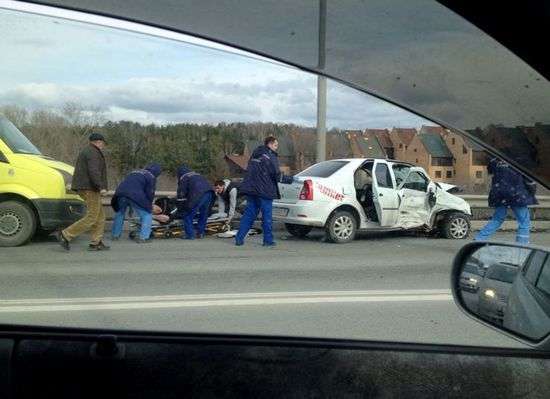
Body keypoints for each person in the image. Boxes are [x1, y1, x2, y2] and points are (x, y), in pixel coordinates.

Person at [235, 136, 293, 247]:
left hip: (252, 190)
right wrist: (291, 179)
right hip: (265, 191)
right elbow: (276, 175)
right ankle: (268, 240)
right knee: (267, 217)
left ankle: (239, 239)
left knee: (248, 215)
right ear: (270, 144)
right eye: (275, 145)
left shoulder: (254, 155)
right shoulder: (270, 156)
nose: (277, 148)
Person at [57, 132, 109, 251]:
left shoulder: (89, 151)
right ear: (98, 142)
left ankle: (96, 242)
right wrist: (100, 187)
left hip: (87, 187)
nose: (103, 146)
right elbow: (93, 171)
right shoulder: (93, 153)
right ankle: (66, 234)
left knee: (100, 216)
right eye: (103, 143)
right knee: (92, 217)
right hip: (90, 188)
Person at [474, 156, 537, 244]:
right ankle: (522, 243)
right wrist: (532, 191)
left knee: (497, 218)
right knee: (524, 220)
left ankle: (479, 239)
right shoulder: (520, 160)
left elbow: (490, 171)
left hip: (499, 193)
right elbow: (528, 179)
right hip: (516, 194)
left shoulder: (495, 160)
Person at [111, 163, 162, 243]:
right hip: (135, 195)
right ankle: (144, 237)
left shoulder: (134, 172)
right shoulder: (151, 176)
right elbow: (150, 193)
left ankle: (115, 235)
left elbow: (129, 185)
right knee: (146, 214)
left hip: (120, 194)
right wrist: (149, 206)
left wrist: (131, 207)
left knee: (120, 213)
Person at [176, 165, 214, 239]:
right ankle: (200, 233)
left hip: (198, 195)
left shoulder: (184, 178)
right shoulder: (198, 175)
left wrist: (181, 209)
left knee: (187, 215)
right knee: (203, 214)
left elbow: (181, 194)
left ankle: (190, 235)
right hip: (209, 193)